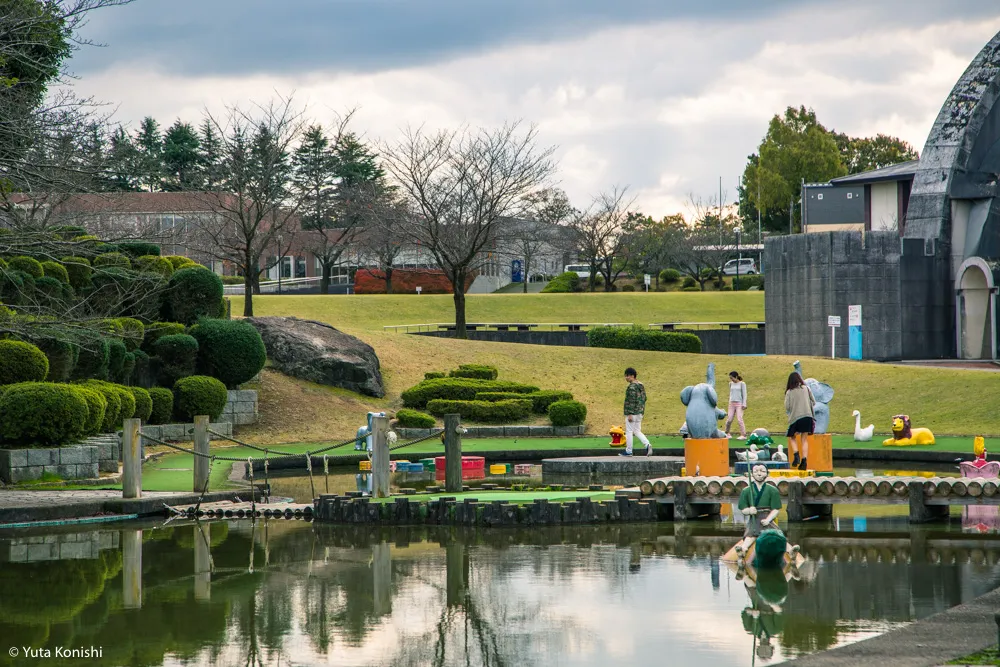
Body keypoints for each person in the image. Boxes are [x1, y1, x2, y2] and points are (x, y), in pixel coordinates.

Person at [734, 462, 800, 564]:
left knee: (778, 535)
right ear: (751, 473)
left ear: (767, 474)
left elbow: (776, 509)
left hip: (767, 517)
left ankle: (790, 550)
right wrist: (749, 511)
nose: (759, 474)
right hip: (754, 518)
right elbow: (742, 508)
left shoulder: (772, 490)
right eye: (756, 471)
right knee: (751, 534)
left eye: (762, 471)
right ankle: (743, 549)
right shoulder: (746, 491)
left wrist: (768, 519)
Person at [784, 372, 815, 470]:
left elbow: (787, 407)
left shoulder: (789, 392)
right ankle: (804, 461)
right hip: (808, 417)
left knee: (792, 436)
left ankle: (796, 454)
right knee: (804, 439)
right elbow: (813, 402)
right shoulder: (806, 388)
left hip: (795, 418)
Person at [621, 367, 651, 457]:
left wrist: (629, 413)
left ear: (632, 376)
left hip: (632, 413)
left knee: (629, 431)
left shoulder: (632, 387)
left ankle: (629, 451)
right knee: (637, 431)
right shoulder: (641, 385)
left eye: (627, 376)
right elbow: (645, 398)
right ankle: (647, 445)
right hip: (640, 412)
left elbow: (631, 400)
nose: (626, 378)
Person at [724, 370, 748, 440]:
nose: (731, 379)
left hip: (739, 403)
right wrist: (729, 402)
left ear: (736, 376)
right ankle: (727, 433)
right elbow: (731, 394)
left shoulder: (742, 384)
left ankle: (743, 435)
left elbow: (744, 394)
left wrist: (744, 404)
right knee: (729, 419)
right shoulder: (730, 384)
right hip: (731, 403)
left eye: (732, 378)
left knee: (739, 419)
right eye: (730, 378)